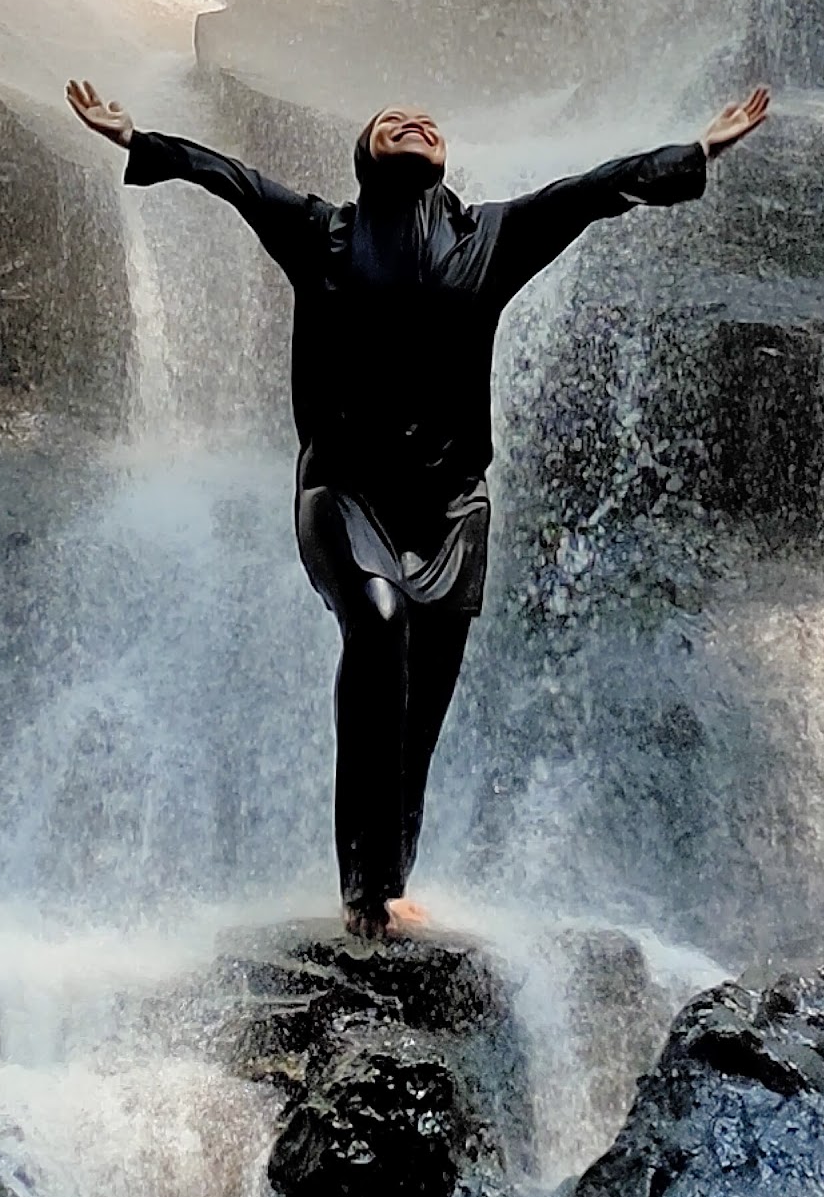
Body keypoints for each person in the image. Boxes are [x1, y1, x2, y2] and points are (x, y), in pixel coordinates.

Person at [64, 74, 772, 938]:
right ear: (364, 155)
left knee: (421, 711)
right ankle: (364, 891)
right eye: (390, 119)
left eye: (427, 121)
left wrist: (695, 152)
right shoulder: (321, 232)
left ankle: (386, 886)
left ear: (444, 164)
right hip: (342, 490)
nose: (413, 120)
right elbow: (232, 177)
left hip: (451, 511)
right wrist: (137, 139)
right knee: (378, 620)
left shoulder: (494, 239)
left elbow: (592, 193)